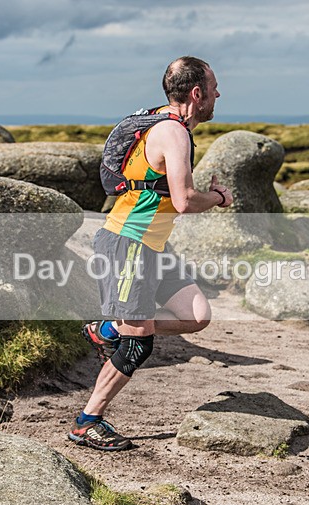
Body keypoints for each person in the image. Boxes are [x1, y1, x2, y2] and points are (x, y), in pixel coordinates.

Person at [70, 56, 232, 451]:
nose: (218, 93)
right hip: (129, 242)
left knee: (197, 317)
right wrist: (218, 197)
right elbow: (183, 201)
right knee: (138, 342)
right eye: (213, 88)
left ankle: (106, 328)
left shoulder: (161, 118)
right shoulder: (172, 133)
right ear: (197, 94)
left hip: (153, 245)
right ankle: (87, 422)